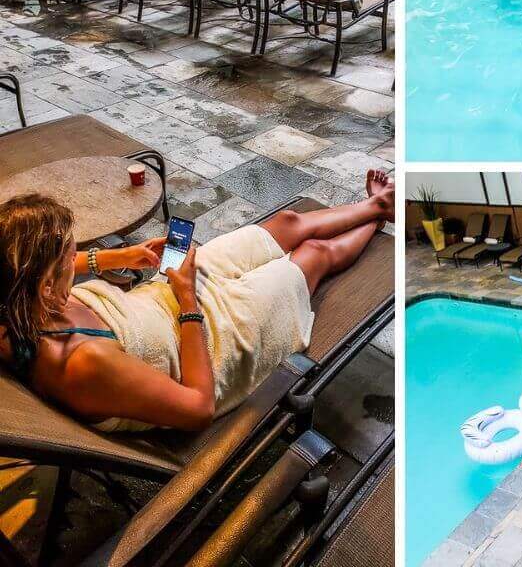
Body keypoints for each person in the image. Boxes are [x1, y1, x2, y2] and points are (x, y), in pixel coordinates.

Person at [0, 171, 394, 432]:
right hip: (213, 340)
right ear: (46, 287)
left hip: (162, 298)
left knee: (286, 223)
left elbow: (55, 268)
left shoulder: (14, 304)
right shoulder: (83, 364)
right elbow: (198, 408)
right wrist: (188, 299)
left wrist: (118, 257)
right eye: (68, 255)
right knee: (311, 254)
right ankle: (378, 220)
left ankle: (376, 206)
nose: (77, 257)